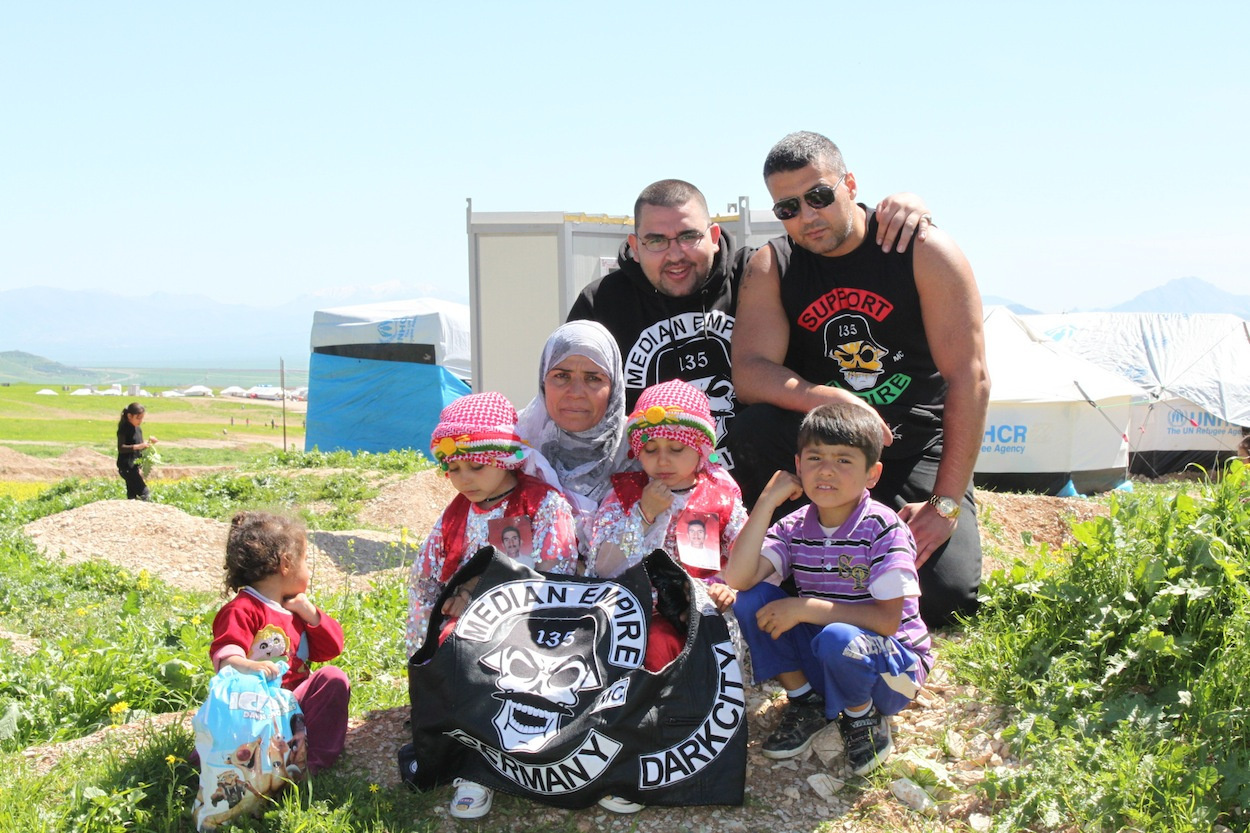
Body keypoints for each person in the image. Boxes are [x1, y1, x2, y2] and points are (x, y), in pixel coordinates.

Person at [729, 131, 989, 628]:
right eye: (788, 208)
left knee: (944, 597)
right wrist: (827, 399)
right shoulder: (775, 265)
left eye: (819, 196)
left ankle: (838, 574)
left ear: (849, 185)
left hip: (912, 446)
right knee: (755, 427)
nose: (807, 216)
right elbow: (750, 372)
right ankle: (793, 563)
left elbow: (969, 378)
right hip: (825, 453)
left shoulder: (920, 249)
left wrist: (945, 504)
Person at [567, 180, 934, 463]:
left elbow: (841, 260)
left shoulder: (760, 275)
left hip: (765, 488)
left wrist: (898, 210)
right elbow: (570, 400)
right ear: (635, 246)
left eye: (689, 236)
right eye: (656, 241)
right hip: (648, 494)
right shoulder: (603, 304)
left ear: (713, 236)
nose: (675, 254)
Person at [724, 403, 931, 776]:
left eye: (844, 460)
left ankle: (861, 715)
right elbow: (739, 578)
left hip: (892, 672)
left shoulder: (883, 528)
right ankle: (806, 702)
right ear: (798, 465)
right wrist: (767, 502)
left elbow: (887, 622)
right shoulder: (795, 526)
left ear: (872, 474)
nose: (826, 470)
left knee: (838, 638)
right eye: (815, 458)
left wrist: (804, 608)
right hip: (829, 656)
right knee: (752, 600)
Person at [406, 390, 579, 821]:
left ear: (505, 458)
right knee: (454, 651)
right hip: (462, 629)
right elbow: (425, 579)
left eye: (476, 466)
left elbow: (558, 576)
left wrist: (481, 598)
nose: (464, 479)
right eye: (453, 469)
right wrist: (429, 632)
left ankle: (493, 763)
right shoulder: (455, 515)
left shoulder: (544, 505)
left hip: (532, 627)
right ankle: (468, 760)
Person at [586, 378, 748, 815]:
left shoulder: (720, 494)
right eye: (650, 449)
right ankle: (635, 754)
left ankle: (682, 749)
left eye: (676, 449)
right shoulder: (624, 494)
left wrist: (728, 583)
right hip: (634, 615)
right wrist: (644, 514)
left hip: (701, 614)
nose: (662, 461)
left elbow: (747, 553)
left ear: (702, 449)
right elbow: (602, 566)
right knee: (645, 651)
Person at [210, 511, 350, 773]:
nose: (308, 570)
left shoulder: (295, 609)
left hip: (294, 706)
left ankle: (311, 764)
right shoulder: (242, 609)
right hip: (255, 709)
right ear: (286, 563)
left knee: (333, 678)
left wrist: (312, 615)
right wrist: (250, 666)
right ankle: (231, 761)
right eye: (305, 561)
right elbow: (226, 657)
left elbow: (331, 649)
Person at [515, 320, 630, 551]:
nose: (576, 393)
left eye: (593, 378)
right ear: (543, 381)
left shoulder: (643, 448)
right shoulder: (514, 445)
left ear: (614, 386)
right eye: (561, 376)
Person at [115, 402, 157, 500]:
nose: (140, 421)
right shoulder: (124, 429)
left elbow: (140, 446)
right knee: (144, 492)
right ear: (129, 416)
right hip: (126, 467)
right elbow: (121, 448)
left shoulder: (138, 429)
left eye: (142, 418)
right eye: (138, 418)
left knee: (132, 496)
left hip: (134, 467)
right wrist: (138, 446)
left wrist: (149, 443)